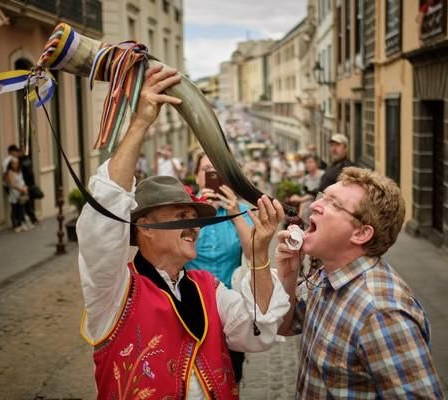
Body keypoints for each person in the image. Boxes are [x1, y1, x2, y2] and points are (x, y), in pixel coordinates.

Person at [76, 65, 290, 399]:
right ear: (144, 226)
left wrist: (260, 252)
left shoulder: (210, 289)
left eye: (195, 217)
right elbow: (104, 217)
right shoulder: (114, 291)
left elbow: (257, 332)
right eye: (181, 216)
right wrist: (142, 122)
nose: (194, 226)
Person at [276, 167, 443, 398]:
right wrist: (288, 274)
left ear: (361, 234)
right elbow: (284, 325)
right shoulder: (327, 275)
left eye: (334, 204)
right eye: (322, 196)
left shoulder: (382, 314)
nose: (315, 205)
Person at [186, 152, 254, 384]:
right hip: (190, 308)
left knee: (231, 373)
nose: (213, 176)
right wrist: (199, 212)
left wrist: (234, 213)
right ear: (197, 177)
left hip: (230, 312)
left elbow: (253, 252)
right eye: (207, 170)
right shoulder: (185, 212)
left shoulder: (241, 211)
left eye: (219, 172)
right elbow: (179, 251)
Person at [6, 157, 30, 232]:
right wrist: (21, 189)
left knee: (21, 209)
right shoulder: (10, 172)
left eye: (16, 163)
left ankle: (20, 224)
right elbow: (12, 184)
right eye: (13, 163)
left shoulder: (19, 171)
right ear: (10, 164)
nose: (15, 165)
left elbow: (22, 181)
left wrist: (25, 187)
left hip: (21, 193)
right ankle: (15, 225)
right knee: (14, 209)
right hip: (14, 194)